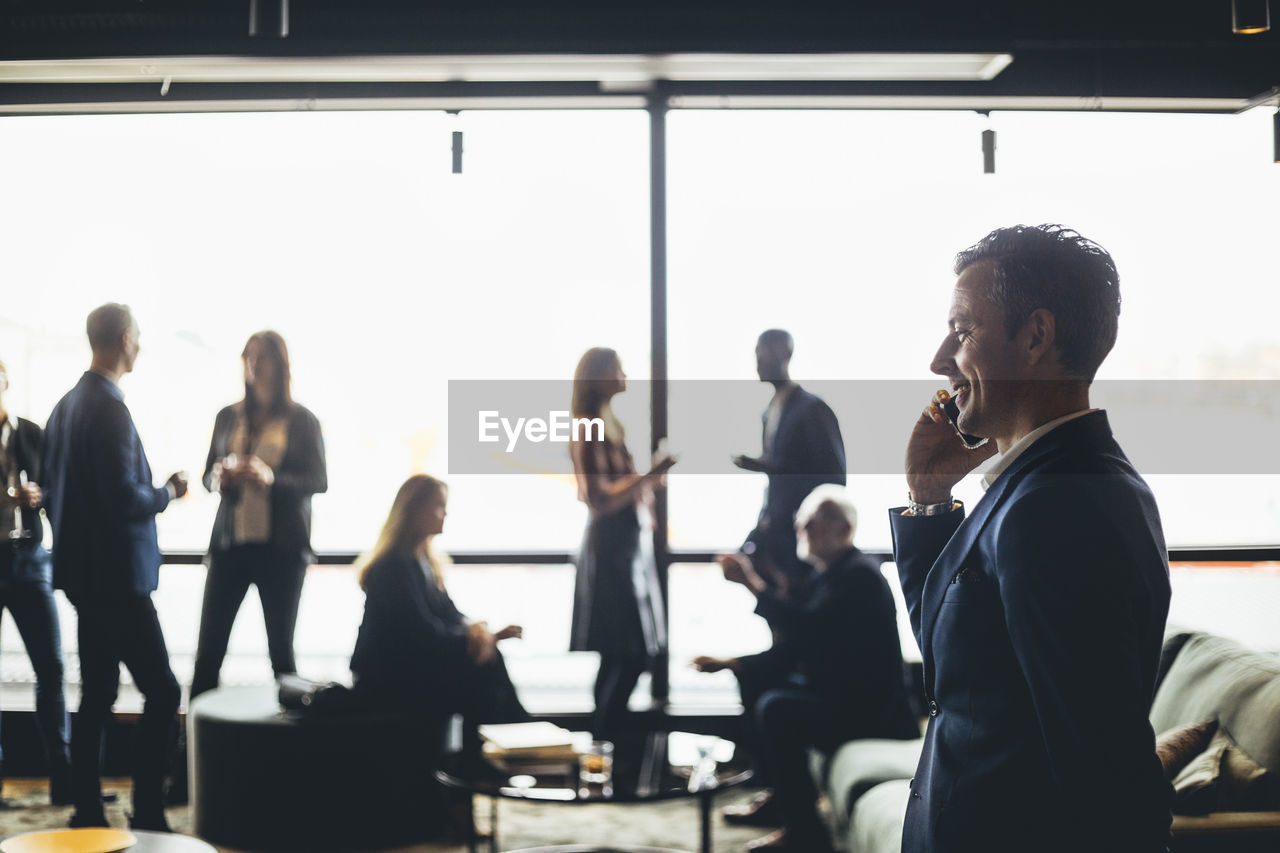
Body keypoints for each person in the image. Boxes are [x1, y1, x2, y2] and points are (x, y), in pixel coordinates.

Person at [892, 225, 1172, 852]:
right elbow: (957, 668)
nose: (940, 358)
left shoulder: (1062, 501)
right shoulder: (1036, 484)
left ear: (1037, 336)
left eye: (962, 329)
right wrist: (928, 500)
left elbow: (1104, 772)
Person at [694, 486, 917, 852]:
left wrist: (751, 583)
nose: (801, 529)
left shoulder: (858, 577)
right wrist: (735, 663)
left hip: (873, 713)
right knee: (755, 681)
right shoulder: (832, 573)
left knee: (776, 708)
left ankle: (806, 834)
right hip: (841, 695)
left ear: (842, 529)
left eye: (810, 523)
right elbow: (796, 646)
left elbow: (804, 631)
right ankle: (781, 800)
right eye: (801, 522)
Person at [42, 303, 187, 831]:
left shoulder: (65, 407)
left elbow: (52, 491)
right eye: (139, 336)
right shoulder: (110, 409)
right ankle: (147, 809)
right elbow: (124, 499)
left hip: (82, 578)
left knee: (98, 691)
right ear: (125, 339)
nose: (141, 345)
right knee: (164, 692)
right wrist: (168, 491)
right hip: (117, 581)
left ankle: (86, 809)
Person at [190, 331, 327, 700]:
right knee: (208, 656)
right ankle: (190, 753)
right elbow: (205, 476)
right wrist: (219, 478)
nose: (254, 364)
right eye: (248, 356)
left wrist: (270, 478)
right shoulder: (227, 416)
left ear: (279, 365)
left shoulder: (302, 420)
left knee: (281, 655)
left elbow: (319, 480)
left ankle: (287, 751)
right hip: (230, 546)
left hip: (280, 551)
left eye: (262, 357)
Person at [350, 474, 528, 732]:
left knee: (487, 662)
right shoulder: (393, 567)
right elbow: (423, 633)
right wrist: (481, 640)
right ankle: (509, 740)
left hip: (409, 667)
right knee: (483, 671)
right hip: (386, 679)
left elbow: (449, 612)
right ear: (414, 510)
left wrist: (481, 633)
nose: (444, 514)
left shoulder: (421, 562)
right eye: (438, 506)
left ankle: (509, 740)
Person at [568, 347, 676, 737]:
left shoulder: (608, 425)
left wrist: (645, 481)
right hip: (613, 549)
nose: (625, 374)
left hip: (624, 547)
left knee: (618, 654)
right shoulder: (590, 426)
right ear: (598, 376)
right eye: (617, 368)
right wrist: (649, 475)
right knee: (627, 654)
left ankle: (604, 746)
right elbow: (599, 499)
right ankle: (605, 742)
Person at [0, 358, 71, 805]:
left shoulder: (30, 433)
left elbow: (55, 490)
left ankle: (63, 776)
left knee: (52, 668)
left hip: (28, 559)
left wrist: (40, 495)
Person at [730, 330, 845, 594]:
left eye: (765, 355)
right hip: (775, 541)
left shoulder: (812, 409)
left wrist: (768, 467)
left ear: (787, 355)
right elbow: (776, 485)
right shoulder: (768, 412)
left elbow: (834, 480)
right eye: (756, 356)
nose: (758, 364)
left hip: (804, 545)